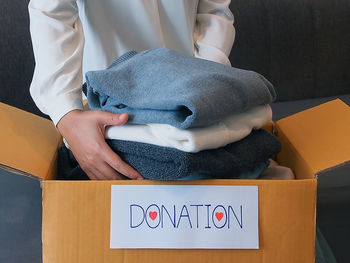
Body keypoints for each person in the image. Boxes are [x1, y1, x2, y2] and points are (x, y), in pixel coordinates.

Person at [28, 0, 235, 180]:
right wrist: (67, 115)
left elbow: (213, 12)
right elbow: (50, 10)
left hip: (192, 110)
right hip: (103, 125)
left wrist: (207, 91)